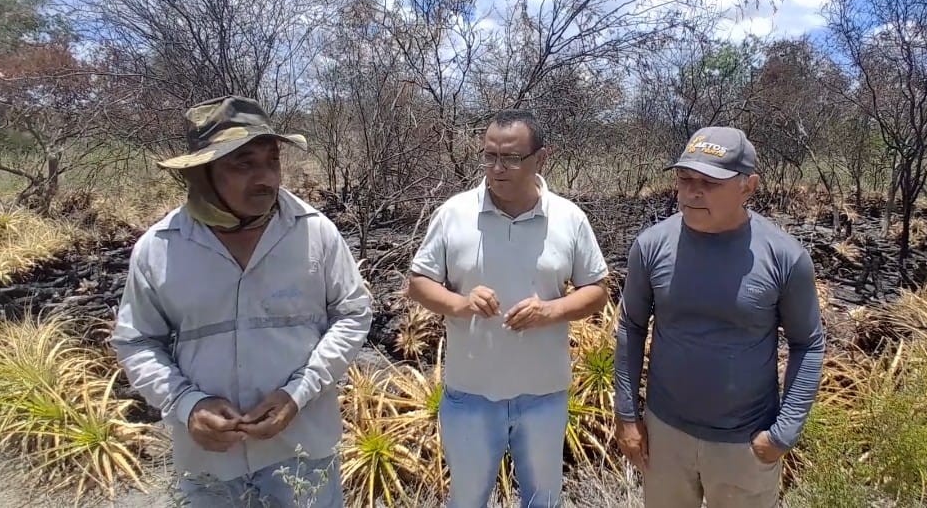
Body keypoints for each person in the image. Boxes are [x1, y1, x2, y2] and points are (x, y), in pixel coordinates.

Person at [110, 96, 374, 507]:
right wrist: (187, 404)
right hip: (211, 463)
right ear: (203, 174)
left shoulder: (314, 233)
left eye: (272, 161)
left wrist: (298, 392)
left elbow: (354, 313)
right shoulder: (159, 248)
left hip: (303, 449)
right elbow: (136, 341)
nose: (266, 177)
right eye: (243, 164)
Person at [613, 126, 825, 508]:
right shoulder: (651, 246)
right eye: (685, 179)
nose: (693, 191)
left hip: (744, 444)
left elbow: (807, 343)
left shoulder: (784, 257)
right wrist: (627, 416)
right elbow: (631, 326)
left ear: (748, 186)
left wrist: (781, 435)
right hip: (665, 436)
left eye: (710, 182)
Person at [406, 109, 609, 508]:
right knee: (466, 500)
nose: (498, 168)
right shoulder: (454, 214)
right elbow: (417, 284)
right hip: (470, 395)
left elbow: (597, 290)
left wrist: (551, 311)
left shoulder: (569, 218)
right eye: (490, 156)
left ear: (541, 158)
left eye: (512, 158)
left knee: (542, 501)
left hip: (544, 396)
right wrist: (461, 303)